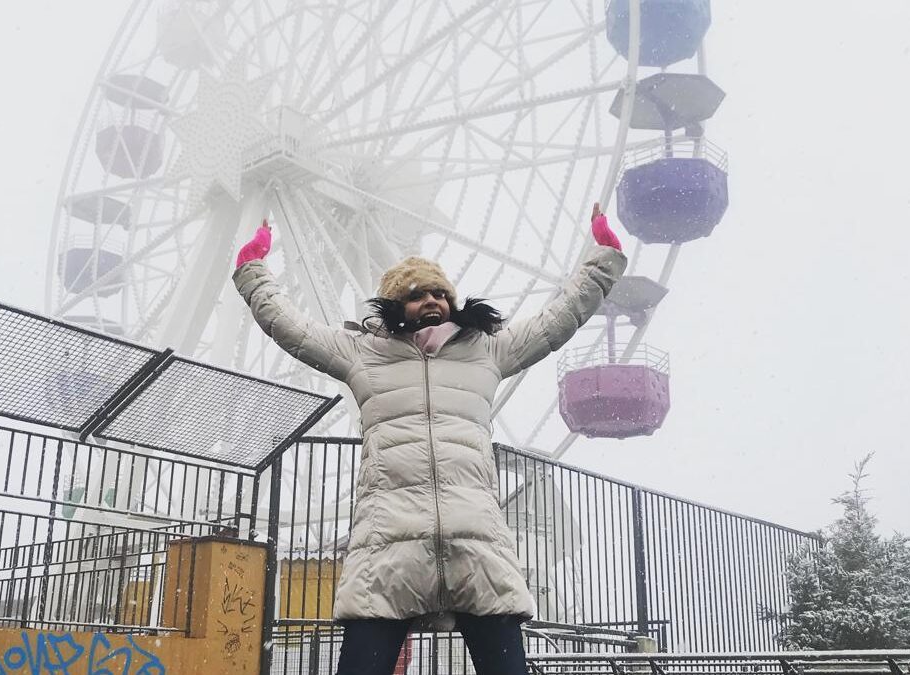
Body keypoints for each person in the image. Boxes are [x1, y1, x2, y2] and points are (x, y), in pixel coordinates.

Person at [232, 204, 626, 675]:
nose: (433, 300)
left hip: (475, 542)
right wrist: (252, 267)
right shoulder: (362, 353)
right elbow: (289, 327)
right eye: (418, 294)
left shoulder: (487, 349)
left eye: (441, 292)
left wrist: (603, 258)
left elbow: (557, 320)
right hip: (389, 543)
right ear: (396, 303)